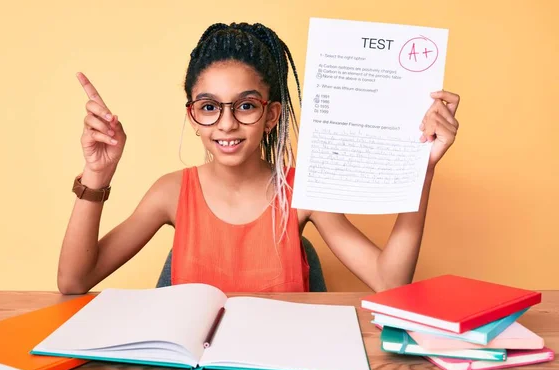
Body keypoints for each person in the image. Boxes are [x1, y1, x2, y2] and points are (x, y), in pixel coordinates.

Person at [57, 22, 460, 295]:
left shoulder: (302, 191)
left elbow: (391, 281)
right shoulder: (171, 191)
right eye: (210, 106)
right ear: (193, 117)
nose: (227, 124)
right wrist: (97, 172)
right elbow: (74, 281)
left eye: (245, 106)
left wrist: (421, 169)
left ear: (270, 115)